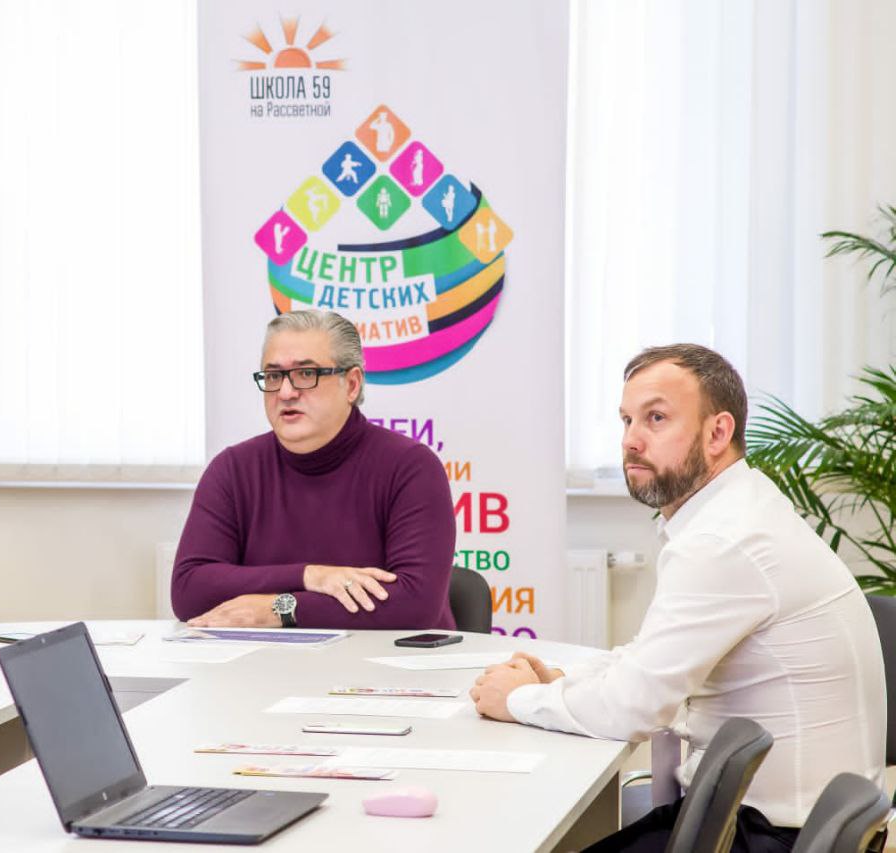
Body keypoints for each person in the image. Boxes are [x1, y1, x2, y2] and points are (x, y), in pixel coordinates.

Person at [470, 344, 885, 852]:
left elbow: (633, 709)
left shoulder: (724, 540)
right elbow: (648, 661)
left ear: (718, 433)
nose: (631, 440)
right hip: (767, 819)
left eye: (656, 418)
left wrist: (517, 700)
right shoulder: (733, 513)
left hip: (773, 836)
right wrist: (563, 683)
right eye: (626, 420)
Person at [172, 310, 455, 630]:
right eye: (274, 376)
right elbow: (189, 591)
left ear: (351, 385)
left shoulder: (411, 467)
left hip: (392, 659)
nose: (285, 392)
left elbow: (415, 604)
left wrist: (279, 609)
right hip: (266, 659)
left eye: (306, 373)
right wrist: (309, 576)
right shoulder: (233, 470)